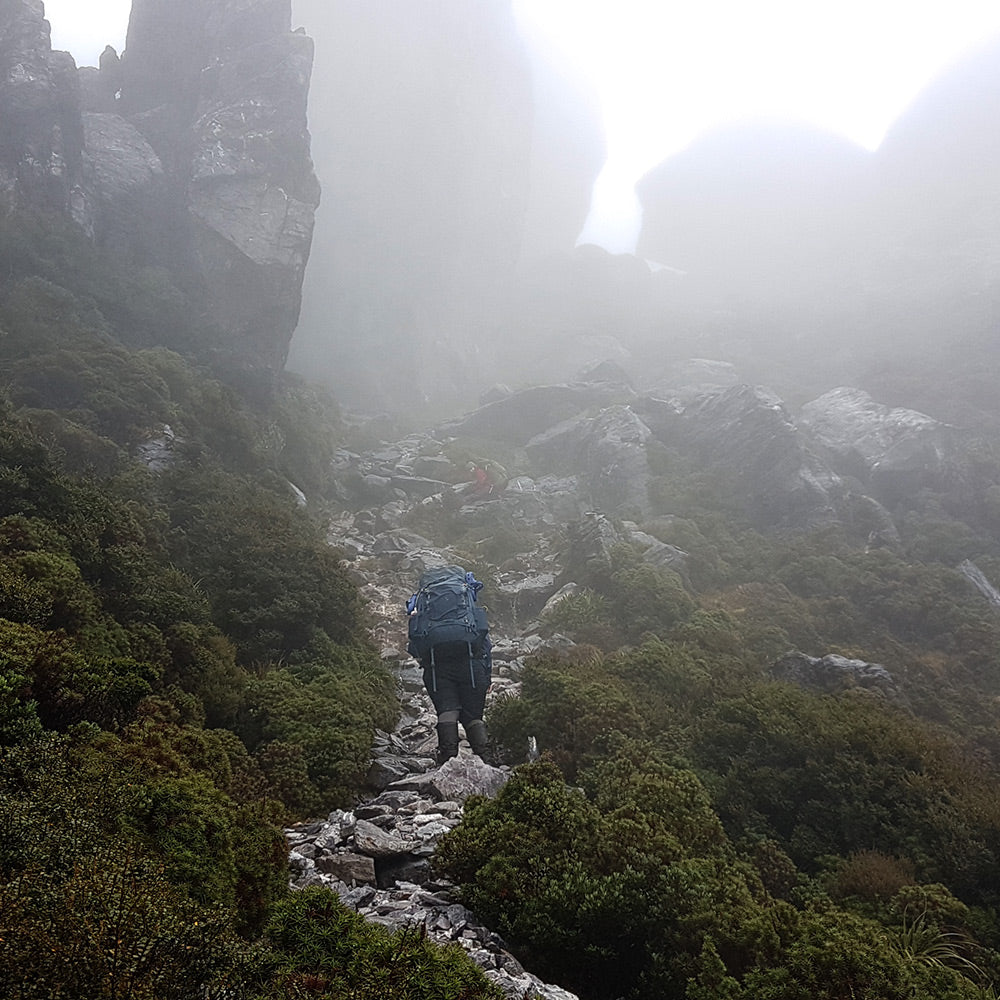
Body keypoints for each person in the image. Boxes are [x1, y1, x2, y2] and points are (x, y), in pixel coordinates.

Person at [406, 569, 492, 764]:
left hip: (438, 668)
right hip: (472, 664)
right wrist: (487, 674)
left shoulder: (422, 603)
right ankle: (485, 760)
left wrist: (427, 661)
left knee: (447, 711)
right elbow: (484, 639)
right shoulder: (466, 600)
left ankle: (447, 761)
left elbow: (414, 644)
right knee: (473, 716)